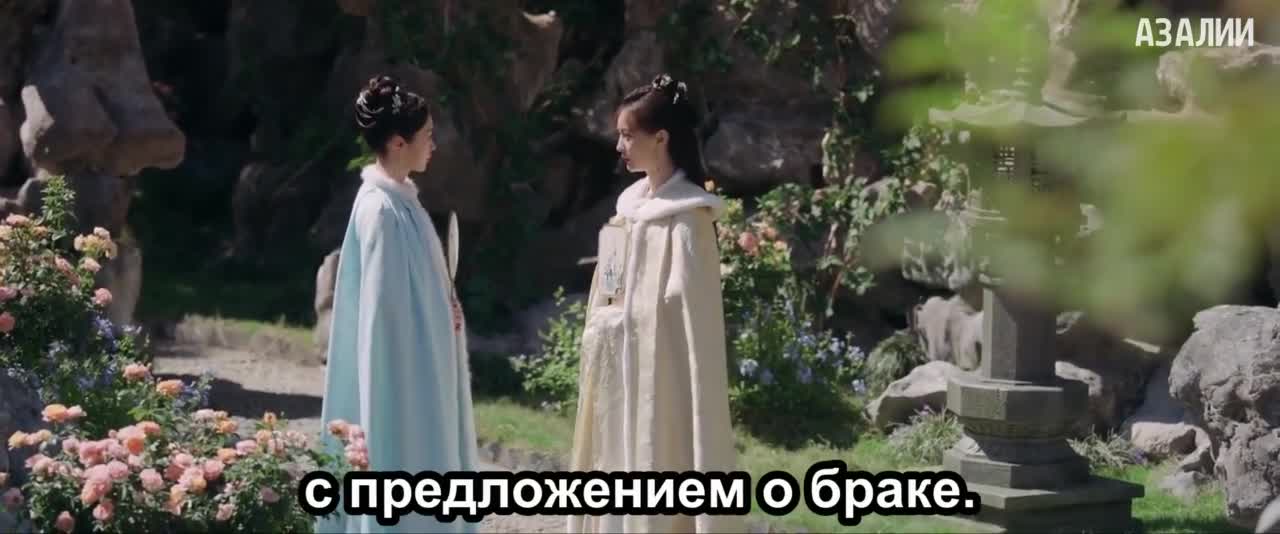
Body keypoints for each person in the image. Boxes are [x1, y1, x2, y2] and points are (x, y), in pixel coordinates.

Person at [567, 74, 743, 534]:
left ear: (661, 138)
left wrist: (634, 323)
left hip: (660, 383)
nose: (619, 146)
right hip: (618, 375)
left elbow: (689, 320)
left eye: (628, 135)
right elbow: (607, 289)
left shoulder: (689, 221)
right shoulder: (625, 210)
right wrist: (607, 323)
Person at [317, 75, 479, 534]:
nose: (434, 145)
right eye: (427, 135)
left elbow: (419, 288)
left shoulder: (402, 202)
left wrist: (444, 307)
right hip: (403, 374)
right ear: (397, 142)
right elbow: (384, 314)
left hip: (422, 366)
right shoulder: (381, 210)